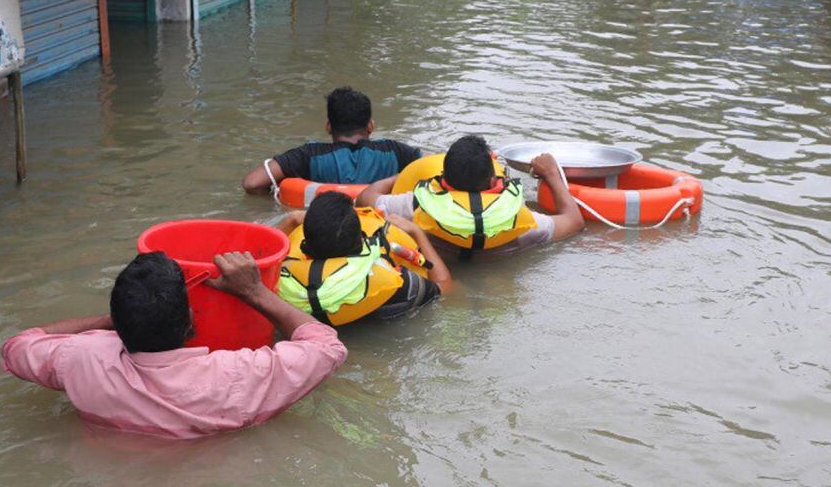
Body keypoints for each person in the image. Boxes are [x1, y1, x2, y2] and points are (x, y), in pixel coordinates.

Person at [0, 251, 347, 439]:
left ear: (118, 325)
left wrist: (111, 322)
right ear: (191, 324)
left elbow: (18, 345)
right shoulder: (234, 376)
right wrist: (254, 291)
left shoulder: (81, 359)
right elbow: (327, 347)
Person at [356, 134, 585, 259]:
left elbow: (365, 198)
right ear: (493, 181)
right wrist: (552, 174)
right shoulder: (523, 221)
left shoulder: (414, 205)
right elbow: (574, 221)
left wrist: (405, 175)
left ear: (442, 178)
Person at [275, 192, 452, 325]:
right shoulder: (400, 284)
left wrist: (290, 221)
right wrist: (418, 233)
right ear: (362, 240)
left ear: (305, 252)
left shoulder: (280, 284)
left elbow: (259, 259)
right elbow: (447, 288)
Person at [243, 87, 423, 193]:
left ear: (328, 126)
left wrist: (283, 194)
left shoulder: (309, 155)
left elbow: (252, 183)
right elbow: (435, 169)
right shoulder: (395, 151)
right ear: (370, 126)